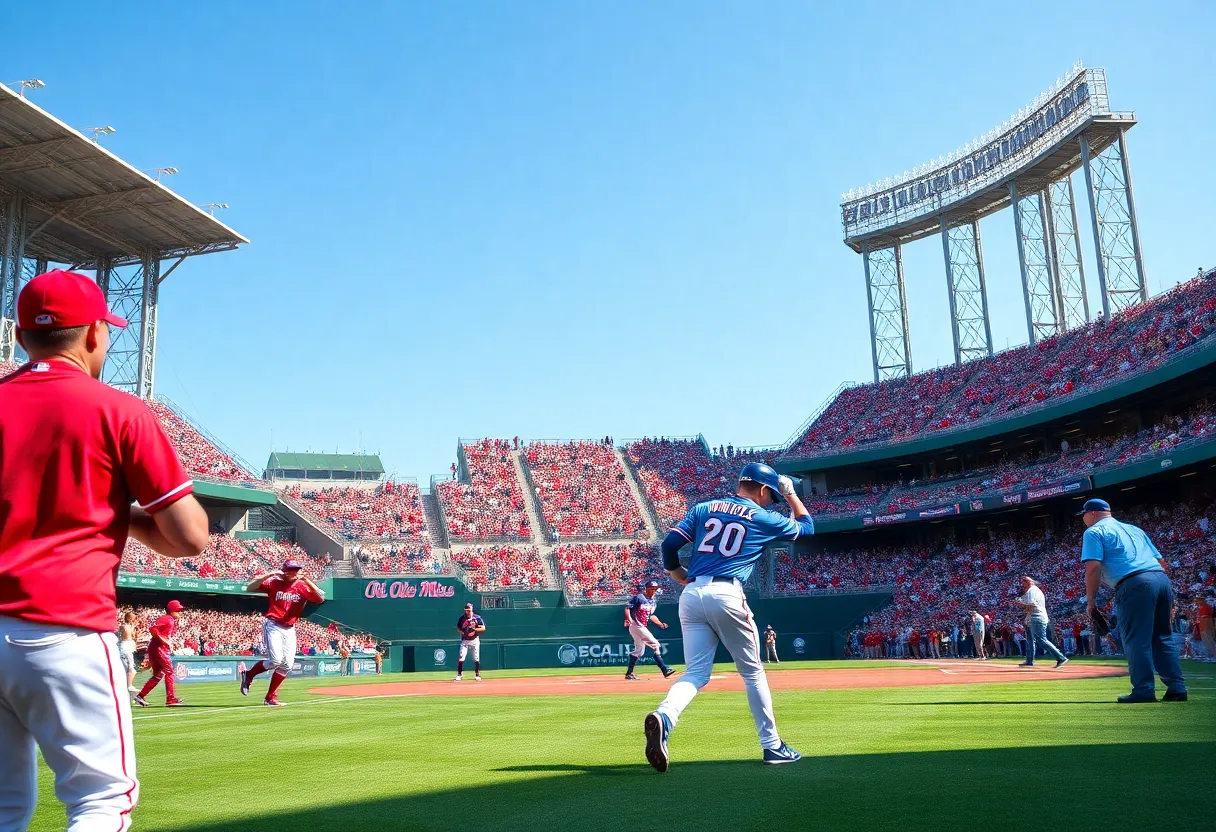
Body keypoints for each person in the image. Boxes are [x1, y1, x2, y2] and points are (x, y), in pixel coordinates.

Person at [0, 270, 209, 830]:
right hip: (62, 629)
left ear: (22, 338)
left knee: (3, 808)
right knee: (100, 802)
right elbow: (191, 537)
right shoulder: (117, 409)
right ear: (95, 334)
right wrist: (128, 516)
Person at [644, 462, 813, 772]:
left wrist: (676, 572)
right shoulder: (763, 516)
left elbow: (669, 545)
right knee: (752, 673)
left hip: (691, 594)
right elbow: (807, 527)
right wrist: (790, 495)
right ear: (763, 490)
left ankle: (665, 715)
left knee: (695, 672)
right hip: (727, 591)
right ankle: (773, 746)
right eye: (771, 495)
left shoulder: (703, 507)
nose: (770, 500)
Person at [1079, 498, 1186, 703]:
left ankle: (1144, 690)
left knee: (1137, 640)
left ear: (1092, 513)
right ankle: (1177, 687)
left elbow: (1093, 567)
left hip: (1134, 583)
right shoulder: (1135, 529)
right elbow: (1161, 562)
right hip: (1160, 579)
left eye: (1083, 515)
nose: (1082, 519)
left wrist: (1091, 600)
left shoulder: (1093, 532)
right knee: (1162, 637)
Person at [240, 560, 326, 706]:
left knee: (287, 665)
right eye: (291, 569)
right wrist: (269, 574)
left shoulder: (302, 585)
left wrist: (306, 580)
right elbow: (249, 588)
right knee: (276, 660)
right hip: (273, 624)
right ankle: (249, 675)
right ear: (284, 570)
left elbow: (320, 598)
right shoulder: (274, 582)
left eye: (296, 570)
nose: (294, 572)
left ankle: (270, 697)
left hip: (289, 628)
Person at [134, 601, 187, 707]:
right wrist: (165, 640)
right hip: (158, 649)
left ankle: (140, 696)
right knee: (169, 671)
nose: (180, 613)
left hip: (156, 648)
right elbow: (152, 629)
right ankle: (170, 698)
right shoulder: (167, 619)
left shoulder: (170, 619)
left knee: (158, 675)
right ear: (172, 611)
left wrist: (168, 642)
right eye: (178, 610)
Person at [624, 580, 675, 680]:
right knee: (655, 644)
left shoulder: (653, 602)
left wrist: (660, 624)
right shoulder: (639, 597)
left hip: (639, 627)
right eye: (652, 588)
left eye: (655, 589)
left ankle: (629, 673)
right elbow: (627, 608)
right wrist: (628, 618)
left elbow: (651, 616)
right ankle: (664, 669)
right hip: (637, 625)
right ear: (646, 588)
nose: (654, 590)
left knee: (639, 651)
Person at [1015, 577, 1068, 668]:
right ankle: (1029, 660)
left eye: (1023, 583)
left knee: (1041, 639)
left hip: (1037, 617)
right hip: (1034, 617)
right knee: (1031, 640)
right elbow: (1030, 608)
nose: (1022, 586)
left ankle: (1061, 658)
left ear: (1027, 583)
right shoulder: (1034, 590)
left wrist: (1021, 603)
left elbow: (1033, 604)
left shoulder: (1032, 591)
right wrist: (1027, 617)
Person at [454, 603, 485, 681]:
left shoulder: (477, 618)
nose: (467, 612)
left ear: (471, 609)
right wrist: (462, 632)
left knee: (476, 657)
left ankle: (477, 675)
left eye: (469, 610)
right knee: (461, 656)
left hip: (475, 639)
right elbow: (457, 628)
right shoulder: (462, 618)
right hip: (465, 640)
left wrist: (474, 629)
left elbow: (483, 628)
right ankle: (459, 674)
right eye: (466, 610)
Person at [118, 611, 139, 693]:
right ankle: (129, 686)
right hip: (126, 647)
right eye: (133, 618)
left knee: (128, 669)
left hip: (126, 647)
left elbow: (134, 638)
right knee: (130, 669)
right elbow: (126, 635)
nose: (135, 620)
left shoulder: (128, 627)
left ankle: (127, 687)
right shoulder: (125, 627)